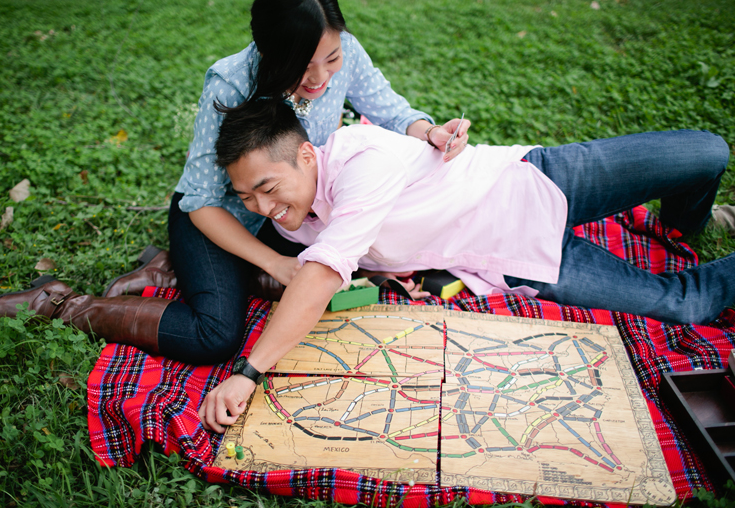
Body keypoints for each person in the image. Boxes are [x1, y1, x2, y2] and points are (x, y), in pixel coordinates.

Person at [0, 0, 465, 364]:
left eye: (331, 59)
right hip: (217, 223)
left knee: (350, 275)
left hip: (295, 215)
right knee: (214, 336)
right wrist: (272, 261)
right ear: (272, 53)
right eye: (303, 65)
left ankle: (170, 270)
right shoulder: (231, 81)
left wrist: (429, 132)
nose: (319, 78)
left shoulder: (345, 52)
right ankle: (61, 304)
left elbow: (394, 111)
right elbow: (201, 202)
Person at [197, 99, 735, 433]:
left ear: (308, 155)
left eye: (268, 189)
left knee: (707, 153)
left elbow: (321, 273)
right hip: (518, 262)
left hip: (537, 182)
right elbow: (224, 217)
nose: (264, 208)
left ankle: (683, 227)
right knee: (684, 305)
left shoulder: (360, 159)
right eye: (247, 198)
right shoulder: (294, 216)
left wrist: (249, 372)